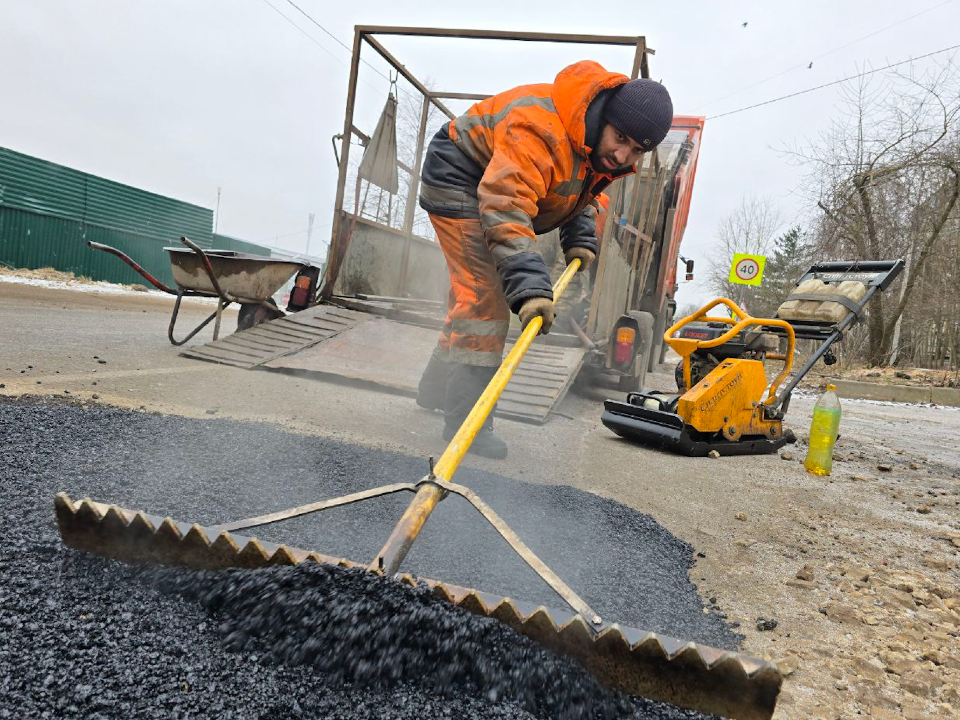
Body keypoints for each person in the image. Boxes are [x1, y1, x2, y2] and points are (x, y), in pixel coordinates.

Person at [415, 60, 674, 459]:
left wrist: (579, 235)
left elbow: (577, 189)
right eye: (619, 138)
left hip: (490, 185)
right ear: (604, 117)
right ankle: (466, 427)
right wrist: (530, 287)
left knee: (473, 295)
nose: (622, 155)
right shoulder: (540, 128)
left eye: (636, 150)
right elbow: (506, 202)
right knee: (485, 300)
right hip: (459, 176)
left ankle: (435, 391)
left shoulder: (592, 140)